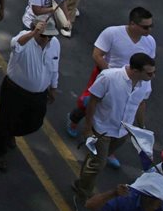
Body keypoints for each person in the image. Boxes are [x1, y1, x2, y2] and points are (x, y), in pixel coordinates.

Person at [71, 53, 157, 211]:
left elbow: (141, 103)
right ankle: (82, 197)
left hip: (122, 132)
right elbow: (93, 101)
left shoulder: (145, 84)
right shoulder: (109, 77)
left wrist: (141, 128)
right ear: (135, 71)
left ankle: (81, 183)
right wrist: (88, 128)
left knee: (95, 161)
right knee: (98, 164)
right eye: (149, 73)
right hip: (102, 129)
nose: (153, 76)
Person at [66, 7, 157, 141]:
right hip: (108, 75)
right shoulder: (112, 33)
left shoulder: (150, 41)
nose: (149, 30)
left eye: (151, 26)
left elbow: (149, 62)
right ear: (132, 24)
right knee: (90, 102)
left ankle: (107, 144)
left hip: (132, 80)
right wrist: (111, 75)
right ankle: (74, 119)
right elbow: (97, 55)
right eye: (145, 27)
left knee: (119, 108)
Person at [0, 17, 60, 171]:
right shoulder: (24, 38)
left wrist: (53, 87)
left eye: (51, 36)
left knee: (34, 122)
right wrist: (33, 33)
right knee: (5, 121)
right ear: (34, 31)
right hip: (15, 91)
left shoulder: (54, 44)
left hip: (39, 94)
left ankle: (11, 132)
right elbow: (15, 44)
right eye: (43, 35)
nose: (47, 39)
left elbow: (54, 66)